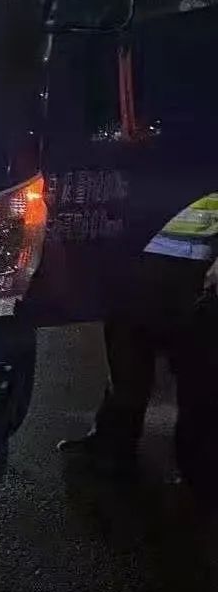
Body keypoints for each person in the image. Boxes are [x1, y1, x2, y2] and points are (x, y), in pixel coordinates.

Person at [58, 210, 218, 502]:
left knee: (198, 377)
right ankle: (113, 450)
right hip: (137, 258)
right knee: (127, 363)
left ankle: (199, 473)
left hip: (198, 268)